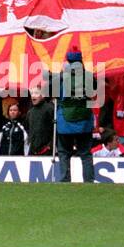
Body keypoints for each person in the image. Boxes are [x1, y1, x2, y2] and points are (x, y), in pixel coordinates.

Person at [53, 51, 96, 183]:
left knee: (64, 152)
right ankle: (88, 181)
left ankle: (65, 179)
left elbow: (52, 94)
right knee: (85, 153)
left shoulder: (60, 78)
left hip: (65, 123)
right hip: (84, 122)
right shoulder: (89, 78)